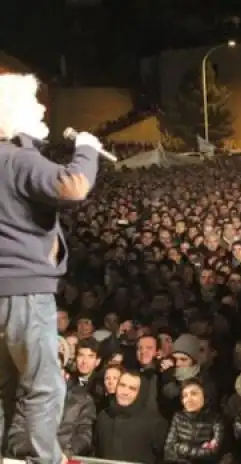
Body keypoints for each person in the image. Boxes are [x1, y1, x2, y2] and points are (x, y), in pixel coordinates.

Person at [0, 72, 103, 464]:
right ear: (13, 114)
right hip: (24, 292)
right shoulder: (19, 158)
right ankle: (48, 459)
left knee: (3, 386)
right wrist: (87, 149)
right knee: (45, 386)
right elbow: (74, 186)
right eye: (34, 102)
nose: (43, 108)